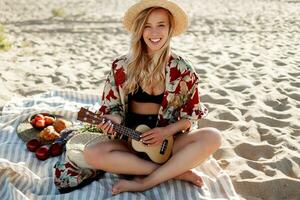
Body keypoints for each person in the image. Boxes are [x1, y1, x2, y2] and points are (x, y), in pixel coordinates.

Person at [83, 0, 221, 195]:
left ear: (170, 29)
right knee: (91, 153)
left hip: (168, 145)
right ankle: (173, 173)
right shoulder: (121, 67)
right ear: (139, 29)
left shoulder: (183, 70)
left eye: (161, 25)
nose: (154, 33)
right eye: (147, 26)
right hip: (130, 143)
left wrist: (166, 132)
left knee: (213, 137)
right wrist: (113, 119)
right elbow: (111, 108)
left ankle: (144, 182)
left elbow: (190, 116)